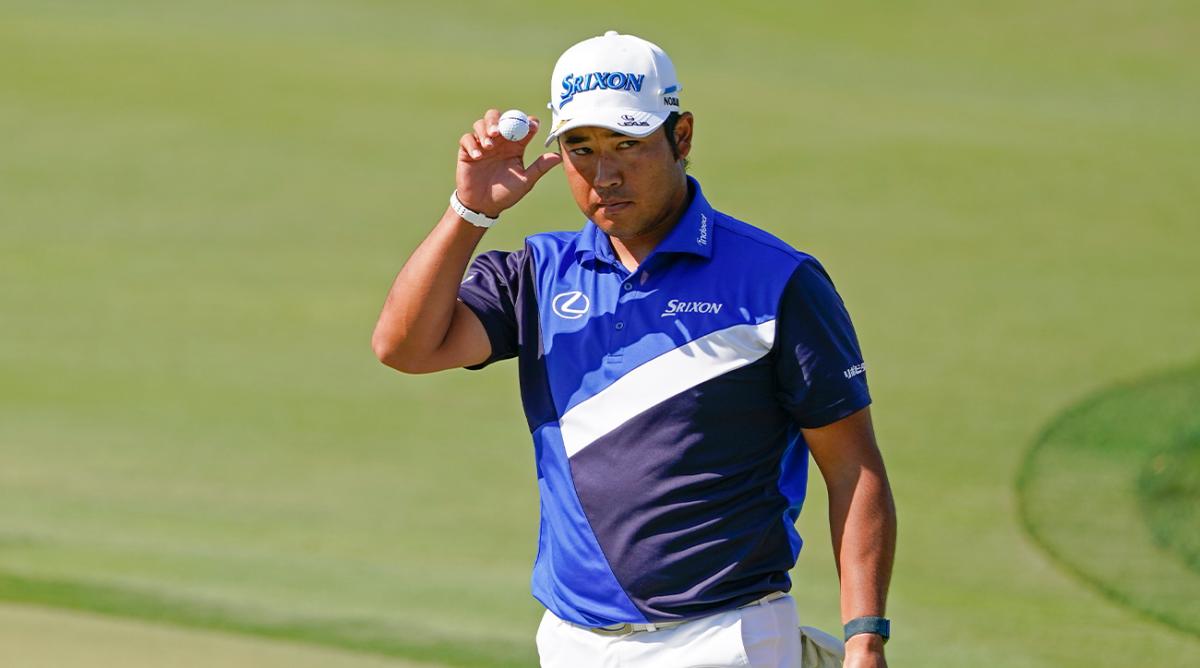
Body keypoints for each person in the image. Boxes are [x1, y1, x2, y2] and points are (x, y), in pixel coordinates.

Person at [372, 30, 896, 668]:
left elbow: (853, 467)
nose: (605, 174)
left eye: (628, 144)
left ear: (682, 137)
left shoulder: (777, 280)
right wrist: (470, 211)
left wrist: (864, 637)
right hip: (571, 641)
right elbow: (404, 347)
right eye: (581, 148)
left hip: (723, 638)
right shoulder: (538, 274)